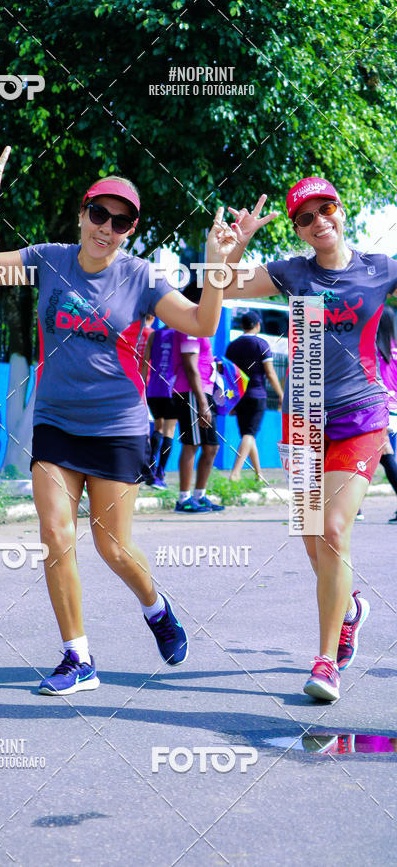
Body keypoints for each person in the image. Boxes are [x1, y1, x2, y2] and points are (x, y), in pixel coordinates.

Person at [0, 147, 237, 695]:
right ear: (84, 214)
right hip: (56, 423)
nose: (107, 228)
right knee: (55, 534)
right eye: (99, 215)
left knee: (112, 547)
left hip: (117, 427)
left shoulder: (143, 279)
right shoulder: (49, 259)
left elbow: (203, 324)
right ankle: (77, 657)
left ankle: (157, 608)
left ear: (131, 229)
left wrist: (216, 263)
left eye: (121, 220)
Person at [223, 179, 397, 702]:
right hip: (301, 417)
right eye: (306, 217)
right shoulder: (293, 274)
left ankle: (325, 661)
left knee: (335, 528)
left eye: (326, 209)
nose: (319, 221)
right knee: (312, 538)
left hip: (361, 414)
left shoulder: (380, 269)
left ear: (340, 211)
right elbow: (223, 287)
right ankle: (349, 610)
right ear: (298, 229)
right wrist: (239, 244)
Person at [171, 282, 225, 514]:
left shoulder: (200, 326)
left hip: (203, 392)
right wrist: (202, 403)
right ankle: (183, 499)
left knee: (211, 447)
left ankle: (199, 495)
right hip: (192, 393)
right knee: (192, 445)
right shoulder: (190, 326)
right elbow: (190, 366)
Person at [225, 309, 283, 481]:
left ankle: (259, 474)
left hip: (238, 396)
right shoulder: (262, 344)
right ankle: (235, 473)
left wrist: (229, 400)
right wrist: (281, 394)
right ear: (257, 325)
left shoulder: (233, 345)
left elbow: (228, 374)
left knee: (247, 435)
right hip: (257, 395)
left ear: (242, 326)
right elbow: (271, 373)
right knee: (249, 434)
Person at [142, 325, 177, 488]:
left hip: (153, 390)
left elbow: (144, 363)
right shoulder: (180, 335)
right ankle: (159, 474)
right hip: (171, 390)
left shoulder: (154, 335)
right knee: (169, 431)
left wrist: (142, 387)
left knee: (158, 428)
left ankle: (150, 470)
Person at [376, 305, 397, 522]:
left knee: (385, 456)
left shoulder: (371, 348)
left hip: (379, 408)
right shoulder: (395, 350)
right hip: (395, 410)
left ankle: (354, 509)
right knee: (385, 457)